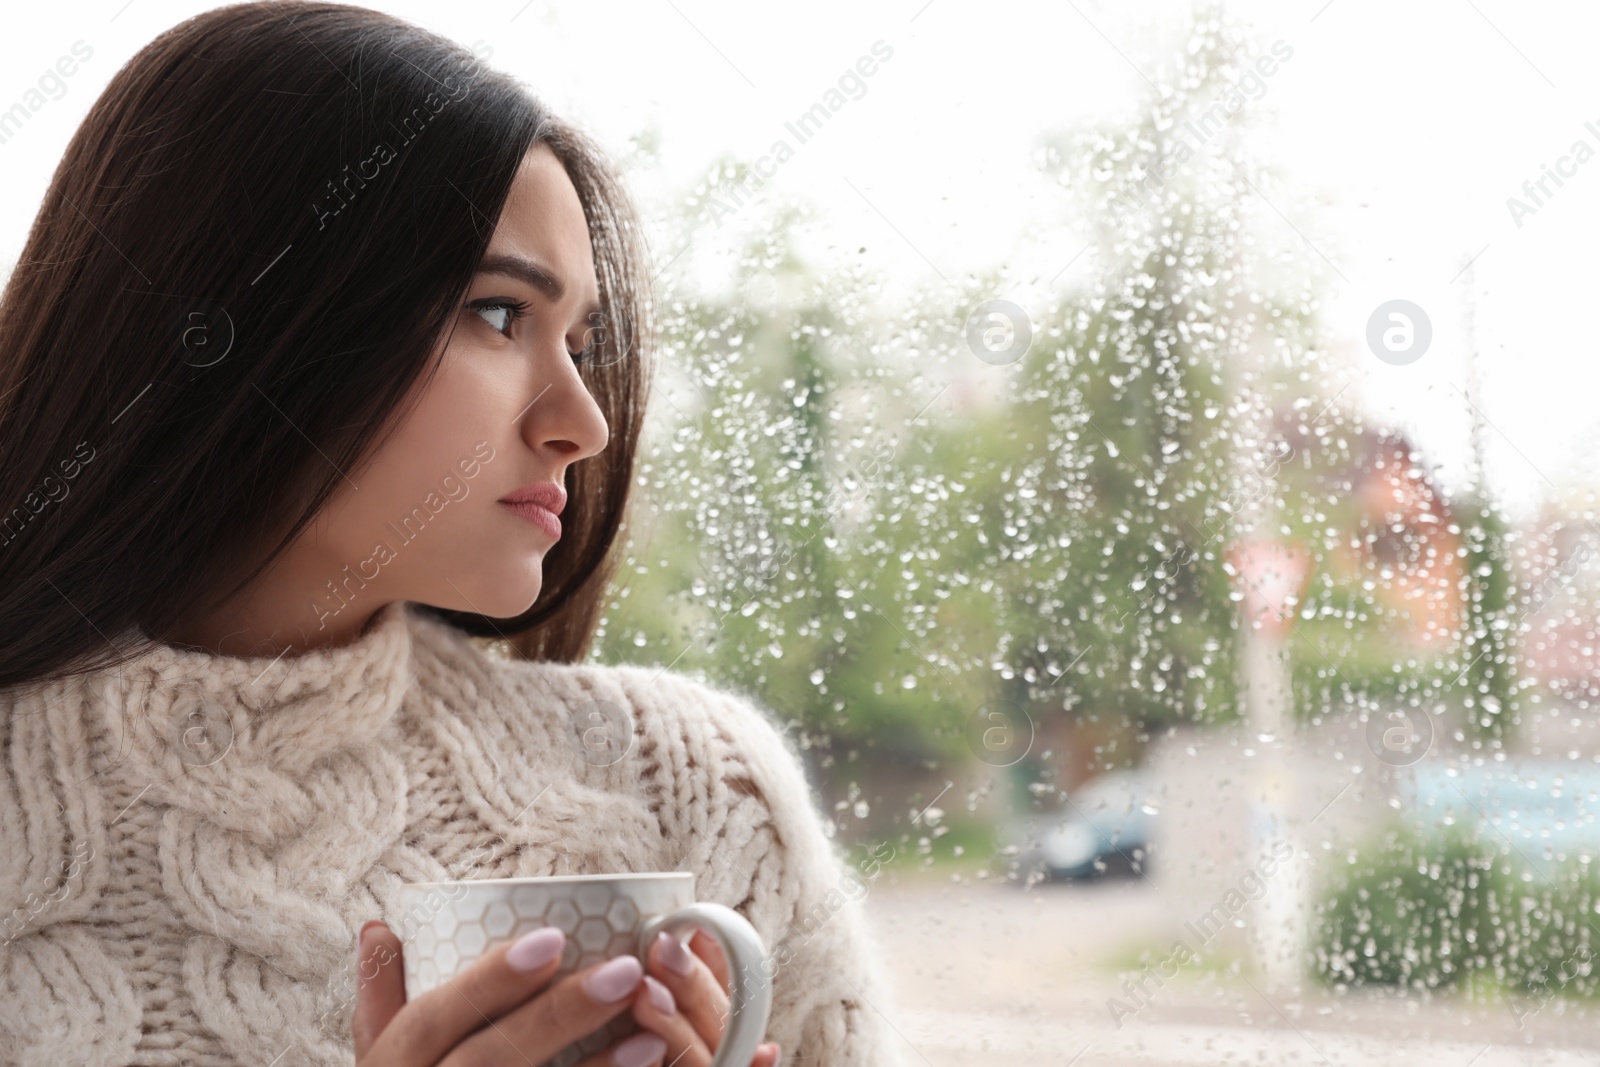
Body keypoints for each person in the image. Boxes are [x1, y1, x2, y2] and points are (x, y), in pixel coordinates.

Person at [0, 4, 906, 1065]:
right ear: (235, 320)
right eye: (496, 313)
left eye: (580, 336)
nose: (585, 420)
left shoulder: (696, 789)